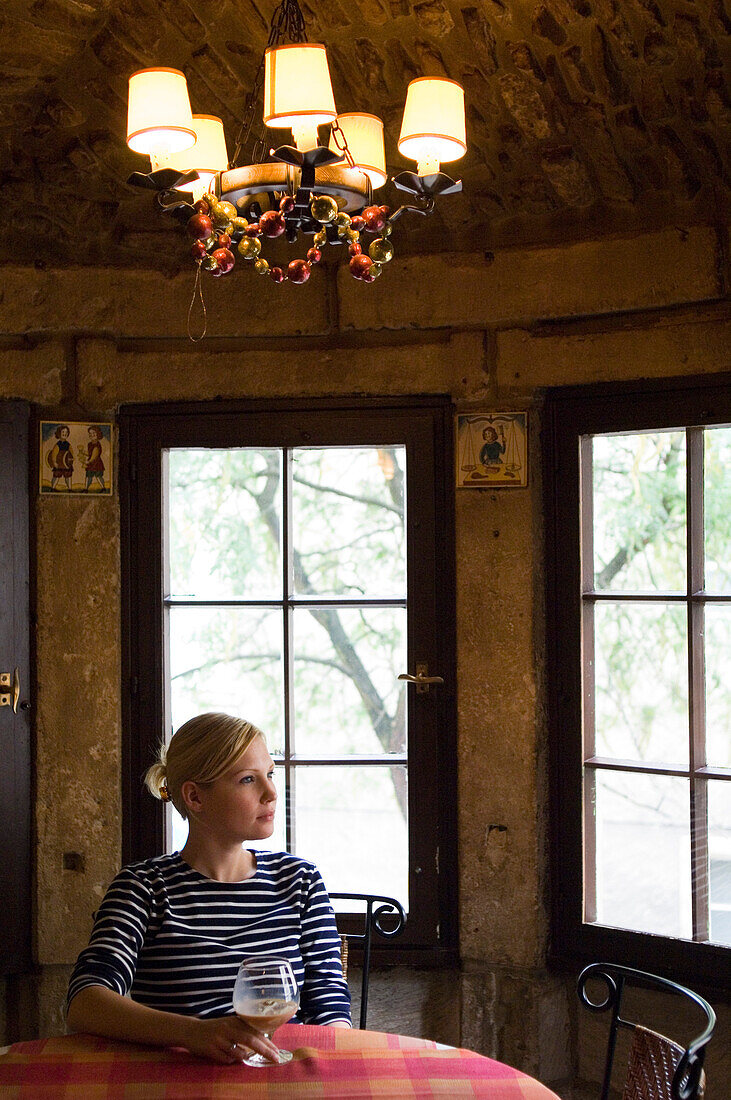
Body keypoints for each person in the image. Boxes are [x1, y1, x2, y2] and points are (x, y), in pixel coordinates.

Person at [66, 713, 351, 1063]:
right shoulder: (143, 888)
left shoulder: (300, 881)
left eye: (271, 774)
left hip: (276, 1076)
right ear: (195, 797)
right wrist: (193, 1033)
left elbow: (328, 1002)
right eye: (248, 779)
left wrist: (333, 1072)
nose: (272, 792)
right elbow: (85, 1002)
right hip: (174, 1081)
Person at [46, 424, 74, 490]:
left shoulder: (68, 444)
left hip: (66, 464)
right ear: (59, 433)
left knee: (68, 476)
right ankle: (53, 488)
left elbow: (71, 452)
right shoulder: (58, 445)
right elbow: (54, 453)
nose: (65, 434)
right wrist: (54, 461)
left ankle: (69, 488)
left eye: (66, 432)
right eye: (63, 432)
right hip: (59, 463)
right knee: (56, 476)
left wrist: (71, 459)